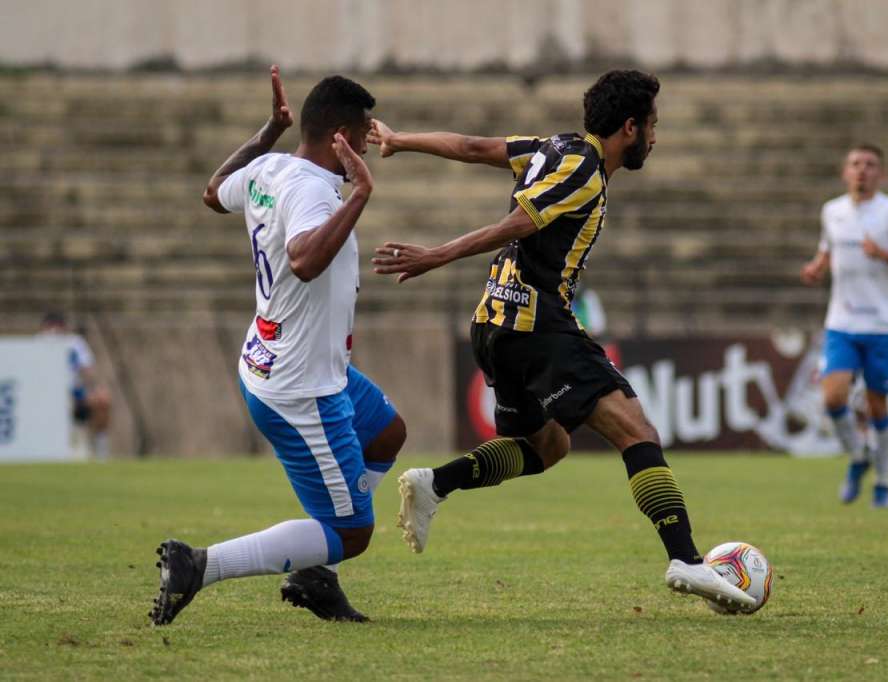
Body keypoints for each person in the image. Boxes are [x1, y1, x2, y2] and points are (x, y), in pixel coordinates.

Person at [369, 70, 754, 609]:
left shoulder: (552, 146)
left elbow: (474, 147)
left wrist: (401, 139)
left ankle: (434, 484)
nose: (655, 137)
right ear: (629, 128)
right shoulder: (585, 170)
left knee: (547, 446)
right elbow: (519, 223)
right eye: (652, 126)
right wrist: (437, 255)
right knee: (636, 431)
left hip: (493, 322)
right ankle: (686, 560)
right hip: (538, 325)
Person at [150, 66, 403, 625]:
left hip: (290, 360)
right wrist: (361, 195)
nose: (367, 147)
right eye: (362, 136)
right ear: (340, 137)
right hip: (302, 386)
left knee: (388, 432)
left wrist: (269, 131)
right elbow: (305, 260)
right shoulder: (313, 189)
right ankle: (200, 565)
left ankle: (317, 570)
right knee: (353, 532)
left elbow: (214, 191)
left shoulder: (270, 166)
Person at [800, 143, 888, 509]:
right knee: (833, 398)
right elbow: (828, 248)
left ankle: (883, 483)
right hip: (841, 322)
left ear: (881, 174)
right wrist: (817, 266)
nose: (862, 170)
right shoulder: (832, 211)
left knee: (877, 407)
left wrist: (882, 254)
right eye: (855, 163)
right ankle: (858, 457)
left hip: (882, 325)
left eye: (870, 165)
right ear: (845, 172)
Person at [39, 312, 111, 458]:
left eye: (58, 326)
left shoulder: (74, 343)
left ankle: (101, 450)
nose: (54, 331)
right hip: (46, 393)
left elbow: (87, 369)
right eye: (51, 326)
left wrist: (95, 388)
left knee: (102, 400)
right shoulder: (37, 343)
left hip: (74, 392)